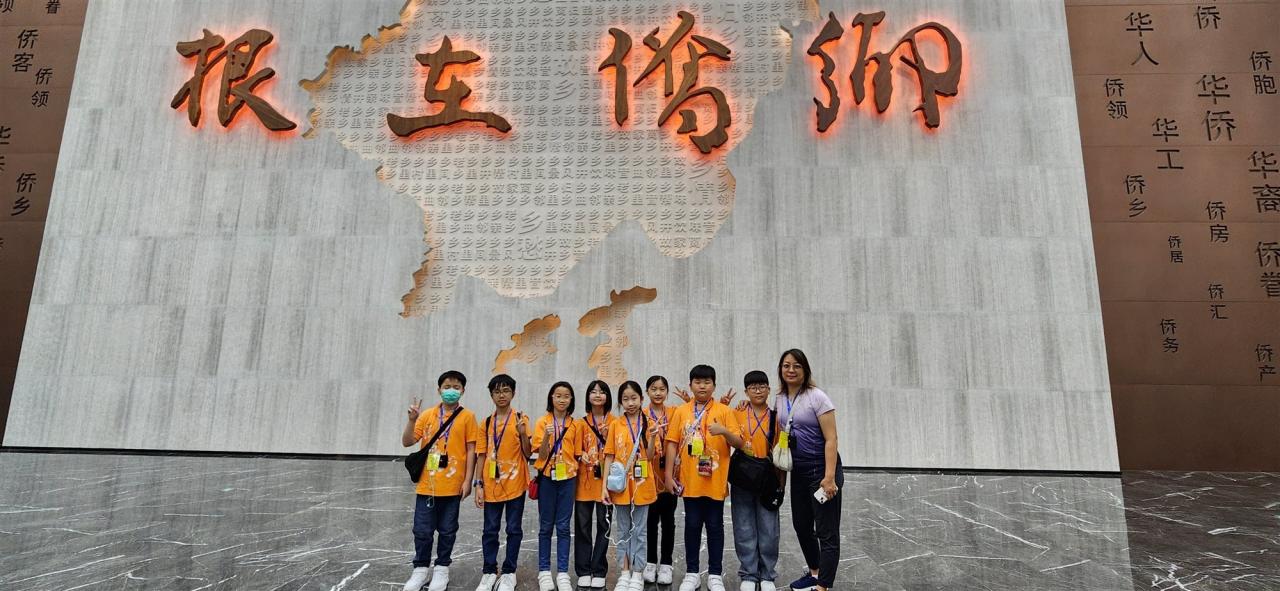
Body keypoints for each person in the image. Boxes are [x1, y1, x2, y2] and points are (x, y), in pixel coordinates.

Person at [663, 365, 747, 591]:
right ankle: (692, 573)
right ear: (691, 385)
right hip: (689, 480)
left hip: (715, 480)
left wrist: (724, 431)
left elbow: (739, 443)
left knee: (715, 526)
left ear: (714, 385)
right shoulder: (682, 411)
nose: (702, 386)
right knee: (691, 525)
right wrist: (668, 475)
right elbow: (671, 443)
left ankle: (715, 574)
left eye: (707, 382)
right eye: (698, 382)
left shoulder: (724, 411)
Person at [402, 371, 479, 591]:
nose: (451, 391)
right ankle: (420, 569)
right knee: (422, 530)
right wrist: (411, 420)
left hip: (453, 486)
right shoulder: (427, 415)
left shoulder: (468, 417)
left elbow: (471, 450)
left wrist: (468, 480)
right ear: (439, 390)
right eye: (447, 386)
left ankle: (442, 568)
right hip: (427, 485)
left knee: (447, 530)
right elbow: (407, 441)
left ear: (463, 391)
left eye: (456, 387)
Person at [777, 350, 843, 591]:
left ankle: (823, 585)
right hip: (799, 470)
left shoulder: (817, 397)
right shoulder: (780, 398)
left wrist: (829, 477)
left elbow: (831, 439)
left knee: (827, 530)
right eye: (786, 365)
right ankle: (814, 573)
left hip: (821, 470)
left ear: (805, 370)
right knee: (802, 525)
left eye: (796, 366)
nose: (791, 370)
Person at [474, 374, 533, 591]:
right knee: (490, 529)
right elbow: (481, 455)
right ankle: (489, 571)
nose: (502, 395)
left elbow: (528, 453)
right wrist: (478, 484)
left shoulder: (520, 418)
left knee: (514, 529)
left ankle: (509, 572)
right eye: (497, 391)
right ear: (491, 395)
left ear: (513, 393)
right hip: (491, 485)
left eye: (506, 390)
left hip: (516, 484)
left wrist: (523, 433)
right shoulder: (486, 423)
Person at [601, 381, 658, 591]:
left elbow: (650, 456)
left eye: (634, 398)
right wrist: (604, 487)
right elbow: (609, 456)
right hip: (621, 485)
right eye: (625, 399)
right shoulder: (616, 424)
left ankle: (638, 573)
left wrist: (653, 437)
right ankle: (624, 572)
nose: (630, 403)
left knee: (640, 531)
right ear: (620, 402)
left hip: (643, 484)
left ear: (641, 399)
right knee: (623, 529)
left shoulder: (649, 422)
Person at [731, 371, 783, 591]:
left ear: (769, 389)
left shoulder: (776, 417)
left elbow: (781, 451)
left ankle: (767, 574)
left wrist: (781, 484)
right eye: (753, 387)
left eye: (762, 386)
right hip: (742, 478)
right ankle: (749, 574)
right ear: (746, 392)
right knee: (743, 526)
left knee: (769, 528)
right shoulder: (737, 413)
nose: (758, 391)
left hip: (767, 478)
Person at [532, 382, 581, 591]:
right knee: (545, 526)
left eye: (566, 396)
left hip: (568, 479)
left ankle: (562, 572)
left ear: (571, 400)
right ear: (551, 398)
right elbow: (541, 455)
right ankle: (544, 571)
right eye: (558, 395)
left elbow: (577, 454)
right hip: (547, 479)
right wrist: (546, 436)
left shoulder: (575, 424)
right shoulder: (542, 422)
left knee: (563, 526)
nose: (562, 399)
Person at [575, 380, 614, 588]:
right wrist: (581, 453)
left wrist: (608, 438)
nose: (598, 395)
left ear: (608, 396)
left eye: (602, 392)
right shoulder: (580, 423)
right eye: (593, 391)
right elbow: (575, 449)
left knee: (603, 525)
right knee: (582, 526)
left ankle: (599, 568)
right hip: (584, 482)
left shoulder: (616, 422)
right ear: (588, 397)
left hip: (606, 484)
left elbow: (619, 449)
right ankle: (583, 569)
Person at [642, 375, 677, 585]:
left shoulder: (674, 412)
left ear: (667, 392)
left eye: (662, 389)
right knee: (650, 521)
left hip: (670, 476)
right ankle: (650, 562)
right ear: (647, 391)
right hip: (648, 477)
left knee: (669, 521)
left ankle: (666, 563)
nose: (658, 393)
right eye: (654, 389)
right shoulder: (641, 415)